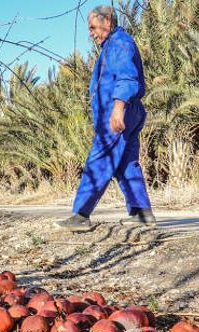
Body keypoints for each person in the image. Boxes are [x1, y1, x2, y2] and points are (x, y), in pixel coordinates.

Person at [54, 5, 156, 232]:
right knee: (126, 163)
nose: (91, 33)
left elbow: (128, 78)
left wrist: (118, 108)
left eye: (93, 27)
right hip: (126, 111)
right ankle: (142, 212)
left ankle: (81, 215)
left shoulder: (120, 43)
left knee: (99, 160)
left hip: (119, 112)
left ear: (107, 21)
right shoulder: (112, 45)